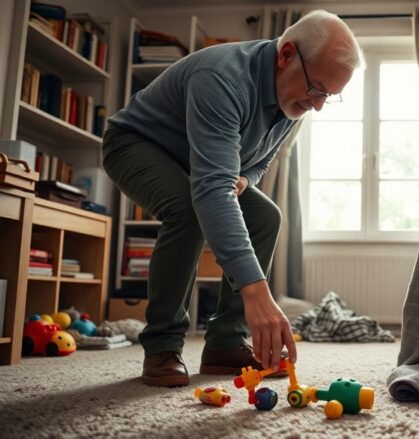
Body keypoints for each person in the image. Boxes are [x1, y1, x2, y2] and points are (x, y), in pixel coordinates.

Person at [102, 10, 364, 387]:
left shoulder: (296, 96)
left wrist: (246, 177)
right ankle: (162, 344)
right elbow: (210, 189)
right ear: (286, 54)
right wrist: (257, 292)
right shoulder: (222, 78)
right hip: (134, 144)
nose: (318, 104)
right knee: (189, 209)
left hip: (193, 161)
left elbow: (260, 160)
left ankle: (225, 343)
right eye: (317, 89)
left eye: (329, 96)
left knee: (266, 217)